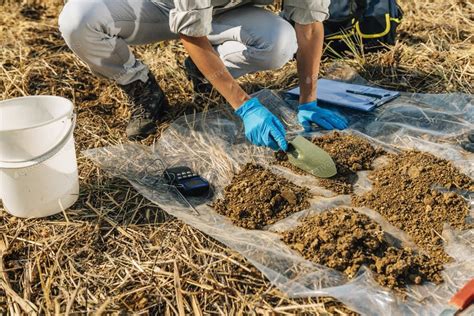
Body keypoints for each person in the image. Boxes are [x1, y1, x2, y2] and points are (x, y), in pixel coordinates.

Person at [58, 0, 348, 148]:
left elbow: (308, 27)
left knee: (280, 43)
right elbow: (191, 33)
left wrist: (308, 100)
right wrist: (245, 106)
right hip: (153, 7)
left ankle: (204, 71)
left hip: (225, 11)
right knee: (79, 20)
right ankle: (140, 86)